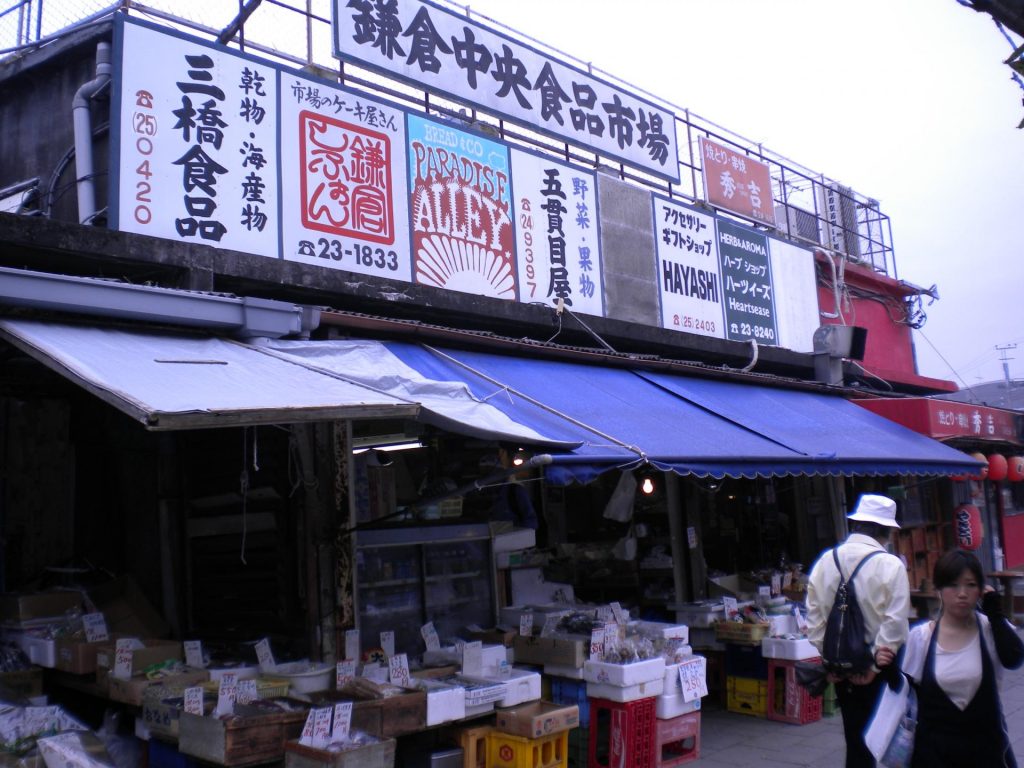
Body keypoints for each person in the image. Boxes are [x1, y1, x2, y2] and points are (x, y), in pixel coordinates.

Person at [806, 493, 911, 768]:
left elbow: (814, 618)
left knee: (855, 737)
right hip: (880, 667)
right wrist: (875, 664)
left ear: (857, 525)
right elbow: (896, 623)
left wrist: (830, 660)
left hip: (840, 668)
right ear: (885, 530)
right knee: (886, 738)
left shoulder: (826, 561)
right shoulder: (891, 565)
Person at [901, 549, 1024, 767]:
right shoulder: (921, 638)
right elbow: (906, 693)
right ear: (939, 589)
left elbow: (1014, 659)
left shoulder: (990, 630)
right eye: (953, 585)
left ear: (981, 590)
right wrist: (887, 668)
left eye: (970, 585)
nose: (962, 593)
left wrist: (995, 612)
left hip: (986, 753)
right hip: (935, 755)